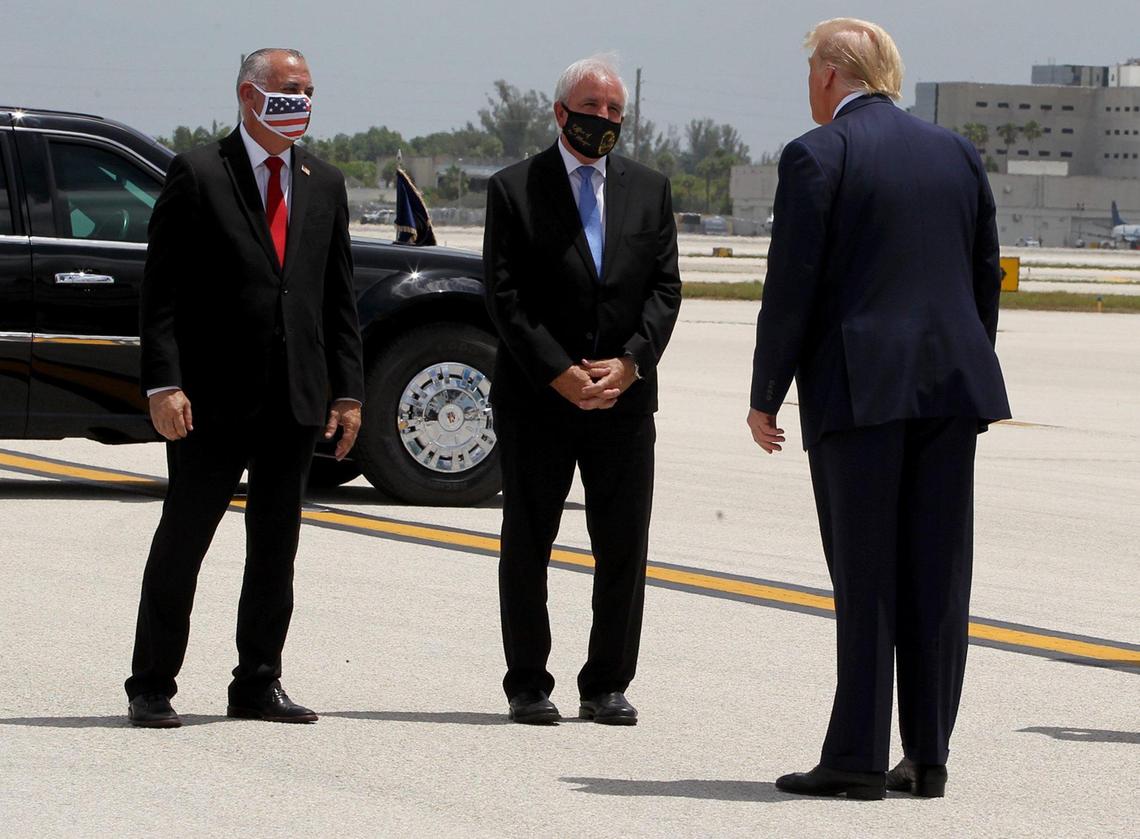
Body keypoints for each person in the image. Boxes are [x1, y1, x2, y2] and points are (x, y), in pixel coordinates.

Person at [747, 19, 1011, 798]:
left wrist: (767, 393)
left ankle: (857, 756)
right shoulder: (956, 152)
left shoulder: (817, 152)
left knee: (867, 578)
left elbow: (790, 287)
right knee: (938, 576)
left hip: (860, 391)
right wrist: (964, 361)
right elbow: (984, 274)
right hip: (950, 391)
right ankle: (928, 755)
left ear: (830, 76)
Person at [125, 48, 364, 728]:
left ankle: (257, 681)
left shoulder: (325, 182)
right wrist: (163, 382)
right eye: (290, 90)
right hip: (210, 400)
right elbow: (161, 295)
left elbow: (337, 298)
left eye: (311, 91)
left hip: (295, 398)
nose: (303, 102)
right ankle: (152, 682)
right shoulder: (199, 173)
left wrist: (347, 391)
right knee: (184, 540)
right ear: (249, 96)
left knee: (275, 548)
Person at [483, 55, 682, 726]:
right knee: (528, 540)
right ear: (560, 111)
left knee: (623, 543)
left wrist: (629, 364)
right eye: (592, 108)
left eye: (615, 112)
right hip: (539, 398)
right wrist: (559, 372)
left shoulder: (650, 189)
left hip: (623, 399)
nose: (604, 120)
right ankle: (527, 682)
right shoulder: (513, 189)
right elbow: (504, 297)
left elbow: (665, 288)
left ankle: (606, 683)